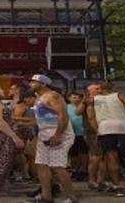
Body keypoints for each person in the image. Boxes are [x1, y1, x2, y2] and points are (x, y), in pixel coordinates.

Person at [26, 74, 77, 203]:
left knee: (57, 167)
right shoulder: (39, 98)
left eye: (33, 82)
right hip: (45, 135)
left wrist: (58, 135)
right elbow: (41, 119)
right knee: (41, 165)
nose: (30, 84)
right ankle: (46, 197)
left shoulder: (52, 96)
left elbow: (63, 116)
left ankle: (71, 199)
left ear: (43, 84)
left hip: (59, 134)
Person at [79, 83, 106, 191]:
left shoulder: (103, 100)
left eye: (99, 88)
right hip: (92, 132)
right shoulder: (87, 101)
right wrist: (84, 101)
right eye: (97, 88)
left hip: (105, 130)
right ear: (89, 91)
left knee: (104, 157)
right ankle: (92, 180)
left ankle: (101, 181)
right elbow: (78, 112)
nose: (99, 90)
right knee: (96, 156)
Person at [65, 92, 88, 181]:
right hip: (71, 134)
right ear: (69, 98)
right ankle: (76, 170)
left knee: (83, 152)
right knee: (73, 154)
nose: (77, 99)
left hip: (82, 133)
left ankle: (83, 170)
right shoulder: (66, 107)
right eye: (74, 97)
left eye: (78, 97)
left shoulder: (83, 107)